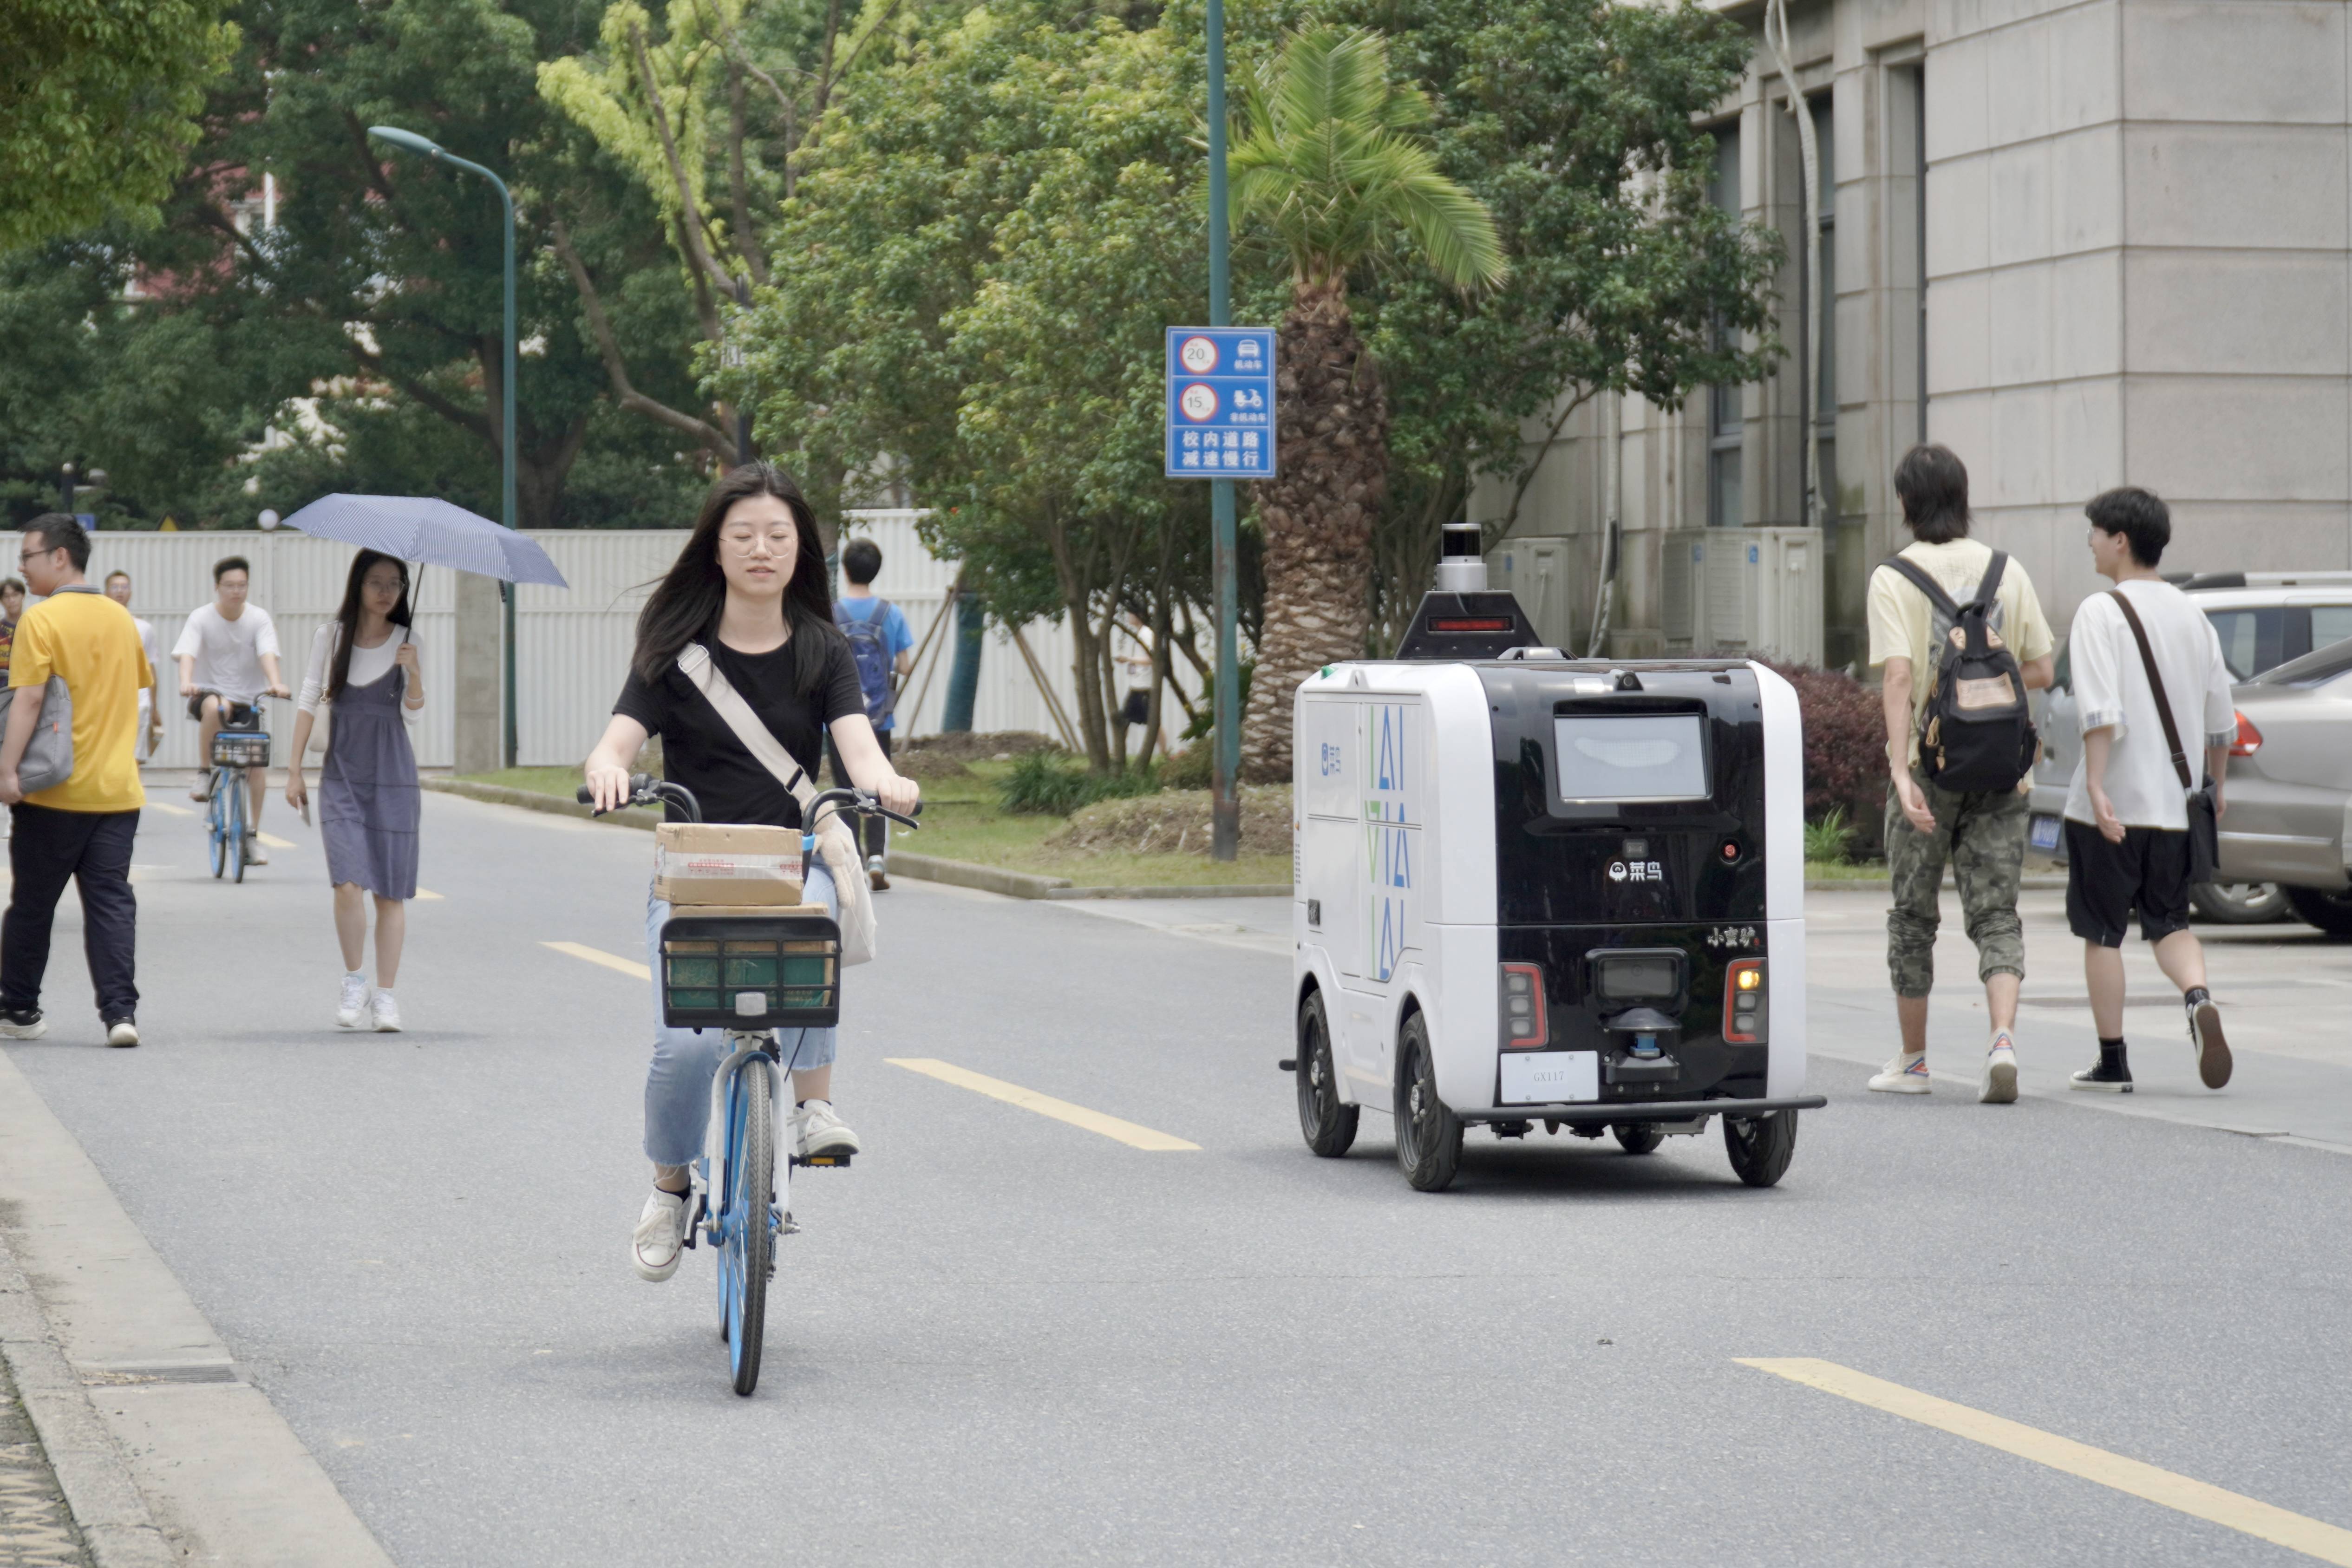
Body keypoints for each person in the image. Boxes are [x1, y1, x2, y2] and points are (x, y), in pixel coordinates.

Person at [583, 463, 921, 1284]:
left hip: (791, 857)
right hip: (695, 872)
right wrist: (608, 771)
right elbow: (615, 742)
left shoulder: (822, 648)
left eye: (777, 536)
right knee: (683, 1051)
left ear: (799, 548)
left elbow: (859, 746)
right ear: (717, 548)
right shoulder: (674, 653)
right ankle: (670, 1185)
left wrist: (886, 782)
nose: (761, 549)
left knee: (811, 934)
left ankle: (812, 1107)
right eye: (743, 536)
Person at [1864, 444, 2056, 1103]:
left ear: (1907, 503)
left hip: (1930, 769)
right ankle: (2002, 1038)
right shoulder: (2008, 571)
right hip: (2004, 770)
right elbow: (2041, 672)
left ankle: (1914, 1061)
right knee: (1997, 913)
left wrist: (1899, 771)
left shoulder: (1894, 577)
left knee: (1914, 917)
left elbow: (1898, 676)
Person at [2061, 488, 2235, 1093]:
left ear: (2120, 541)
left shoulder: (2099, 612)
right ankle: (2196, 998)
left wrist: (2095, 782)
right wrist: (2215, 786)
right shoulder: (2193, 615)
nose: (2089, 541)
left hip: (2112, 804)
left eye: (2094, 531)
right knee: (2170, 924)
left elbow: (2103, 712)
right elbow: (2223, 719)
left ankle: (2113, 1060)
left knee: (2102, 932)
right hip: (2177, 806)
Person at [0, 516, 153, 1047]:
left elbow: (30, 699)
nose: (22, 566)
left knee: (35, 904)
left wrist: (7, 770)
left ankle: (19, 1008)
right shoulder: (121, 619)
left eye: (29, 556)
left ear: (59, 557)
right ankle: (120, 1015)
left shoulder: (39, 622)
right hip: (118, 791)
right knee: (111, 901)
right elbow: (131, 690)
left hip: (54, 792)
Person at [286, 551, 427, 1033]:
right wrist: (293, 770)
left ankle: (386, 996)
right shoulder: (331, 637)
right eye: (376, 582)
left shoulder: (410, 642)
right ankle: (354, 980)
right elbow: (308, 699)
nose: (386, 592)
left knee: (390, 893)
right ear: (359, 586)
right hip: (342, 773)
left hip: (394, 775)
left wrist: (415, 674)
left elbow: (412, 716)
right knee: (347, 882)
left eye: (396, 583)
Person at [174, 555, 288, 864]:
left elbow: (267, 652)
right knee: (216, 706)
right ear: (217, 587)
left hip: (248, 701)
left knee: (256, 766)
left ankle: (252, 836)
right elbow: (187, 652)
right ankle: (203, 773)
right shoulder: (201, 617)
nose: (237, 592)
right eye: (230, 586)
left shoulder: (258, 618)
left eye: (242, 585)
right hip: (208, 694)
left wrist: (276, 683)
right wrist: (187, 682)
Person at [828, 536, 913, 890]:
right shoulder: (891, 614)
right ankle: (877, 857)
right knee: (881, 785)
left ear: (845, 570)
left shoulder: (831, 613)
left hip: (835, 719)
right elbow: (906, 665)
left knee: (844, 788)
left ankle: (852, 860)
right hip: (879, 718)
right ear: (875, 571)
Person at [103, 570, 164, 764]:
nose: (120, 591)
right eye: (115, 587)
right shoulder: (98, 625)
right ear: (106, 592)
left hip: (139, 700)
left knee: (134, 759)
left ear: (131, 592)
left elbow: (150, 668)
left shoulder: (144, 628)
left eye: (125, 587)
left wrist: (154, 707)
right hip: (107, 700)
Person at [0, 577, 23, 686]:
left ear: (22, 596)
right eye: (6, 596)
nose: (12, 600)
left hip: (27, 687)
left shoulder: (34, 625)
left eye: (15, 595)